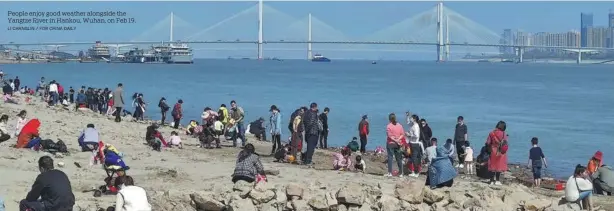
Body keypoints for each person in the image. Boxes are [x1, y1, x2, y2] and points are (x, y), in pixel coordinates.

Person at [486, 121, 508, 186]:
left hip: (493, 150)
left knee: (492, 166)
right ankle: (497, 180)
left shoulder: (491, 133)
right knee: (499, 166)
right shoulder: (504, 134)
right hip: (501, 151)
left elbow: (488, 142)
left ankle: (491, 180)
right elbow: (505, 143)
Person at [386, 113, 406, 177]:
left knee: (390, 157)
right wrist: (398, 139)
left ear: (389, 119)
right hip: (398, 144)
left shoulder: (389, 126)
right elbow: (402, 134)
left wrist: (395, 140)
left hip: (391, 144)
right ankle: (401, 173)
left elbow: (390, 136)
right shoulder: (399, 125)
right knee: (399, 158)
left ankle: (390, 173)